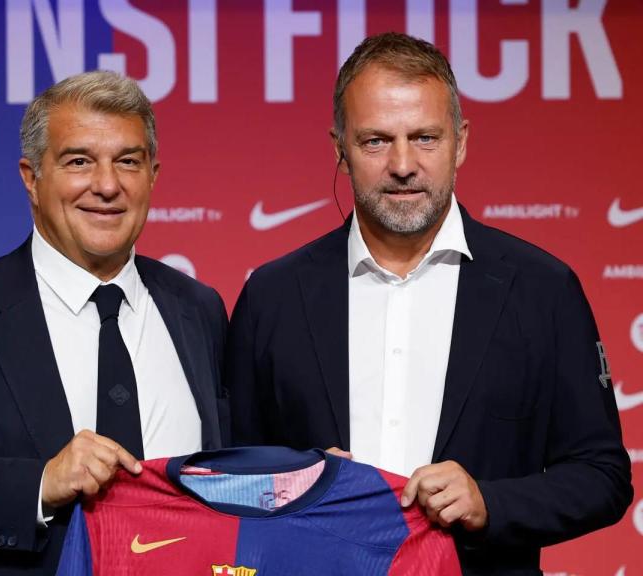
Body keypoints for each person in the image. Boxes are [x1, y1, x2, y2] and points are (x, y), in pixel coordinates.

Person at [226, 32, 632, 575]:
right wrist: (294, 483)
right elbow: (225, 474)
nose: (402, 164)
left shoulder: (543, 289)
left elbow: (601, 476)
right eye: (375, 141)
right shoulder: (272, 296)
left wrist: (489, 503)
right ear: (340, 149)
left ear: (460, 142)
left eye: (424, 138)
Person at [0, 70, 228, 576]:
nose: (106, 185)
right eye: (79, 161)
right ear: (32, 178)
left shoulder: (199, 310)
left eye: (128, 162)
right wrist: (40, 483)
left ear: (154, 175)